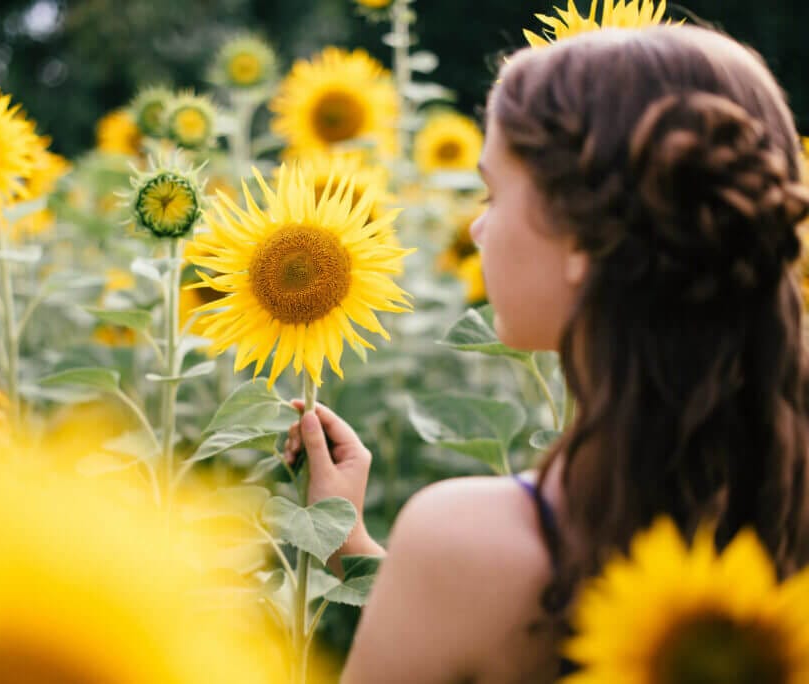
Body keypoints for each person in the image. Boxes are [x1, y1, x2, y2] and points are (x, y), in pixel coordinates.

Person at [283, 24, 809, 683]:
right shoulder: (779, 512)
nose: (476, 228)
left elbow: (487, 599)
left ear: (585, 240)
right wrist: (351, 547)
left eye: (493, 194)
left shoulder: (463, 542)